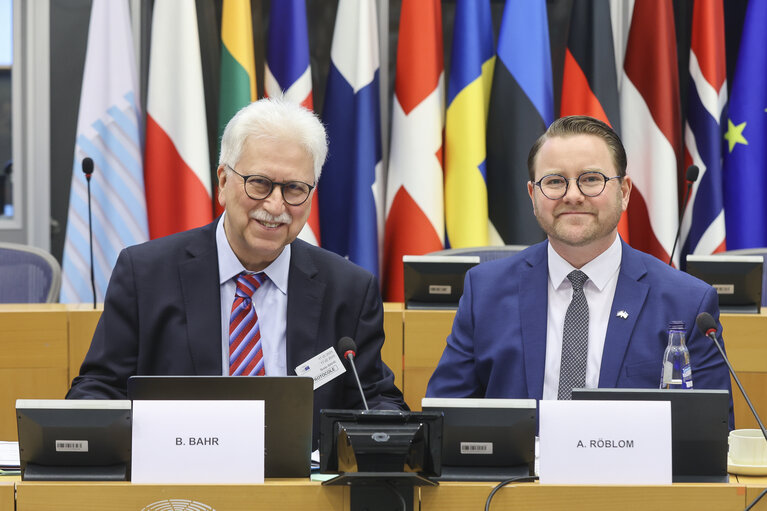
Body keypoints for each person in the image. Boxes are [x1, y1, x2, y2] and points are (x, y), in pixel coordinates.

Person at [67, 98, 407, 446]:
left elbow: (375, 399)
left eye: (294, 189)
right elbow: (99, 389)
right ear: (223, 182)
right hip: (179, 484)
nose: (276, 206)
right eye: (259, 183)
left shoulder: (349, 289)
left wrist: (384, 428)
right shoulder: (146, 275)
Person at [426, 115, 733, 425]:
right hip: (517, 473)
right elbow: (443, 417)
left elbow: (709, 436)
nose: (572, 195)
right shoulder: (484, 292)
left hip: (632, 474)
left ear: (624, 192)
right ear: (533, 196)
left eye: (590, 179)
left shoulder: (687, 302)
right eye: (555, 181)